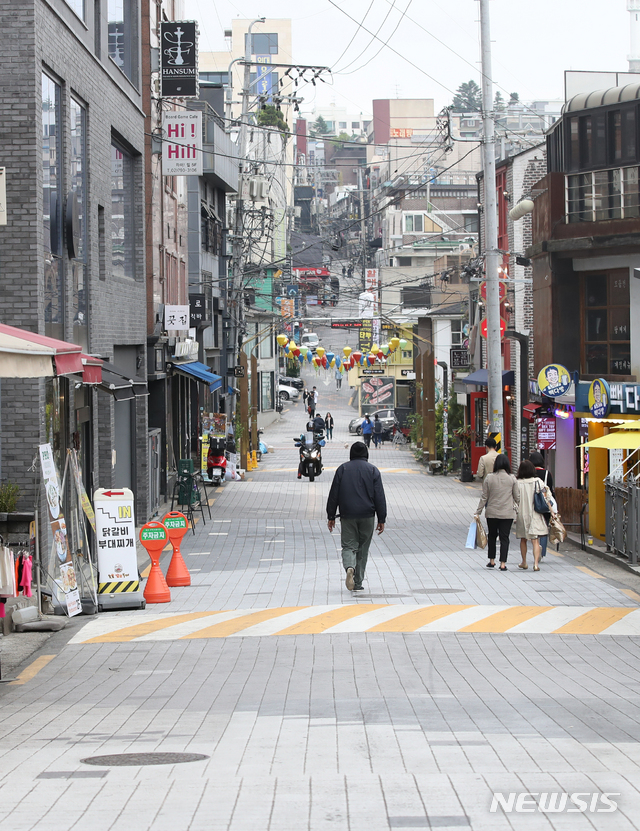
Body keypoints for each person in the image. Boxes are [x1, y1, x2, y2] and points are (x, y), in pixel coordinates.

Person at [326, 442, 387, 592]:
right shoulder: (373, 470)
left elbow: (334, 494)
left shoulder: (343, 469)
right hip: (367, 515)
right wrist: (381, 518)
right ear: (366, 454)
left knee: (348, 546)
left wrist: (331, 515)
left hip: (347, 515)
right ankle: (358, 582)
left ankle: (349, 567)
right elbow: (379, 496)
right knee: (362, 549)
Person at [475, 454, 520, 570]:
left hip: (492, 512)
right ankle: (503, 563)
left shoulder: (489, 478)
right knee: (504, 537)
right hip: (507, 513)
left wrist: (478, 512)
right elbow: (517, 497)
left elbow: (484, 497)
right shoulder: (512, 479)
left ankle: (492, 560)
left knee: (492, 536)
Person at [515, 459, 549, 571]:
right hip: (535, 513)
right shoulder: (537, 481)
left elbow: (515, 499)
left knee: (523, 539)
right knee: (535, 540)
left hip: (521, 514)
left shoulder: (517, 482)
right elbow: (546, 494)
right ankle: (535, 564)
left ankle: (524, 562)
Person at [529, 452, 555, 558]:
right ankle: (542, 552)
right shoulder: (547, 474)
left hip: (532, 503)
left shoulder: (529, 473)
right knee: (544, 528)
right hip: (544, 504)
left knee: (533, 528)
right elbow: (550, 490)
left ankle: (536, 547)